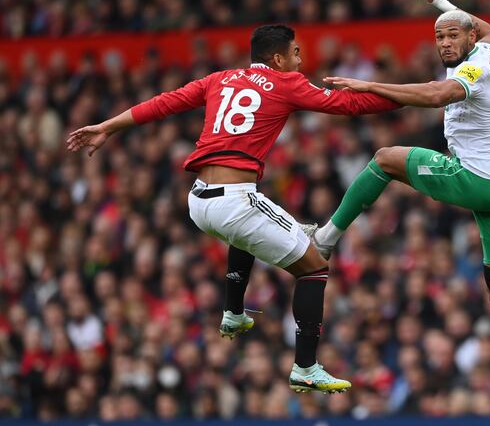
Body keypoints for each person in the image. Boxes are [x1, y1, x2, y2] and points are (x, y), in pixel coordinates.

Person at [67, 25, 398, 394]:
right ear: (278, 59)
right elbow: (349, 104)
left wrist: (109, 127)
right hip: (235, 199)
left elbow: (164, 102)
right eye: (297, 53)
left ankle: (233, 313)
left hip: (198, 200)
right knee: (315, 266)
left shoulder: (219, 79)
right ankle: (306, 366)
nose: (301, 60)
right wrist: (411, 96)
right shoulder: (286, 83)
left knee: (250, 230)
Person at [308, 0, 490, 426]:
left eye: (453, 35)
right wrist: (447, 5)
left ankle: (325, 238)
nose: (446, 42)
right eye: (440, 37)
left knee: (386, 158)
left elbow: (435, 95)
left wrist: (368, 85)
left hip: (479, 181)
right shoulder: (487, 51)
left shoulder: (474, 72)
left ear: (467, 39)